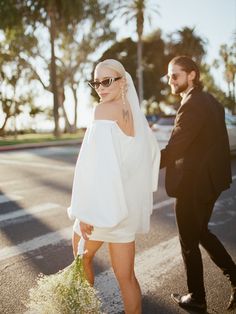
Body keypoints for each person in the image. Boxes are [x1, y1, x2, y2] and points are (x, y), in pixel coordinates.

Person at [67, 59, 160, 314]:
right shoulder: (134, 114)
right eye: (96, 82)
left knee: (81, 259)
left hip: (100, 209)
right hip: (125, 211)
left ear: (122, 81)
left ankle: (87, 310)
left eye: (107, 81)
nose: (100, 87)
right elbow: (152, 155)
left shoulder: (102, 111)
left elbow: (96, 168)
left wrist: (85, 211)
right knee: (126, 277)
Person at [160, 55, 236, 312]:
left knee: (189, 241)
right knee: (201, 231)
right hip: (211, 182)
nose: (170, 80)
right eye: (169, 75)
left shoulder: (192, 104)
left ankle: (198, 297)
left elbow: (177, 146)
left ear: (192, 75)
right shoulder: (211, 101)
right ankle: (235, 278)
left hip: (194, 184)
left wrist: (143, 165)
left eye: (174, 75)